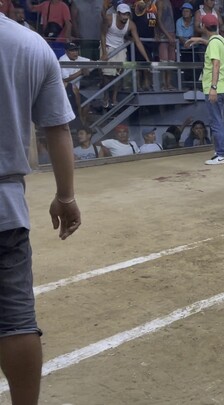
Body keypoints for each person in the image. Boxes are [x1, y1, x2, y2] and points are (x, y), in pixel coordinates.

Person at [0, 13, 81, 404]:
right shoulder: (32, 45)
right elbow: (58, 128)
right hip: (5, 207)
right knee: (16, 323)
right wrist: (65, 196)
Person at [186, 14, 224, 165]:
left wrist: (213, 87)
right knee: (219, 119)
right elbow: (213, 46)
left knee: (215, 121)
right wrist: (200, 40)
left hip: (215, 88)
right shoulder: (221, 40)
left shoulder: (213, 44)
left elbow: (216, 65)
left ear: (203, 27)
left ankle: (221, 155)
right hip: (223, 86)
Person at [100, 3, 150, 108]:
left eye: (127, 14)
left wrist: (146, 59)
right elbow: (103, 35)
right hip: (108, 46)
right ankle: (105, 96)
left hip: (121, 48)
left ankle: (114, 98)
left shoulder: (131, 25)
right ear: (118, 14)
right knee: (107, 74)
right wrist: (104, 52)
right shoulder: (109, 19)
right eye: (123, 14)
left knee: (119, 73)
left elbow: (138, 42)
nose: (125, 17)